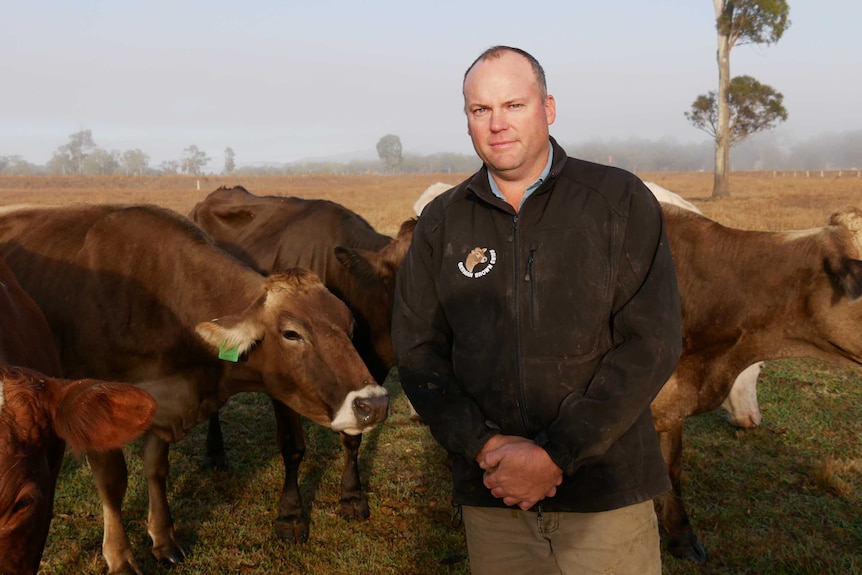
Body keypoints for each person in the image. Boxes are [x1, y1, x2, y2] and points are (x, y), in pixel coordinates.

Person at [392, 46, 681, 575]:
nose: (497, 124)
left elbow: (652, 343)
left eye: (514, 105)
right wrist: (484, 447)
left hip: (605, 494)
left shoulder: (617, 201)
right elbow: (417, 351)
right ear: (468, 118)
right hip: (493, 492)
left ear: (548, 108)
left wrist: (555, 454)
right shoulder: (442, 222)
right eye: (481, 110)